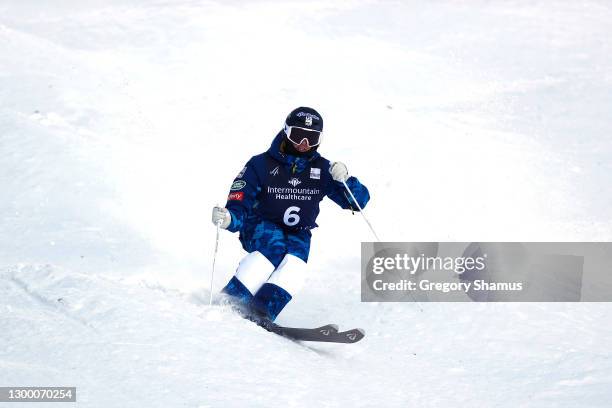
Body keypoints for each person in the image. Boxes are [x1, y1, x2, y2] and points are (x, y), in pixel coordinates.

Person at [211, 107, 370, 323]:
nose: (304, 142)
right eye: (298, 135)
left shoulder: (322, 169)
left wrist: (346, 180)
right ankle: (232, 299)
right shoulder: (261, 164)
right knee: (273, 248)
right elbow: (241, 198)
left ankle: (262, 311)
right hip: (260, 223)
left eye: (312, 138)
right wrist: (231, 218)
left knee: (295, 266)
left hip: (299, 231)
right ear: (286, 131)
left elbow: (357, 202)